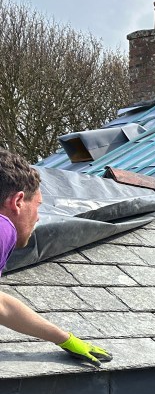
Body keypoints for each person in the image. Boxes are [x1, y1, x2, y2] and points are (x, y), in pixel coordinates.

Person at [0, 149, 112, 367]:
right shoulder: (3, 227)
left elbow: (2, 305)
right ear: (18, 201)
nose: (39, 216)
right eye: (38, 205)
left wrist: (65, 339)